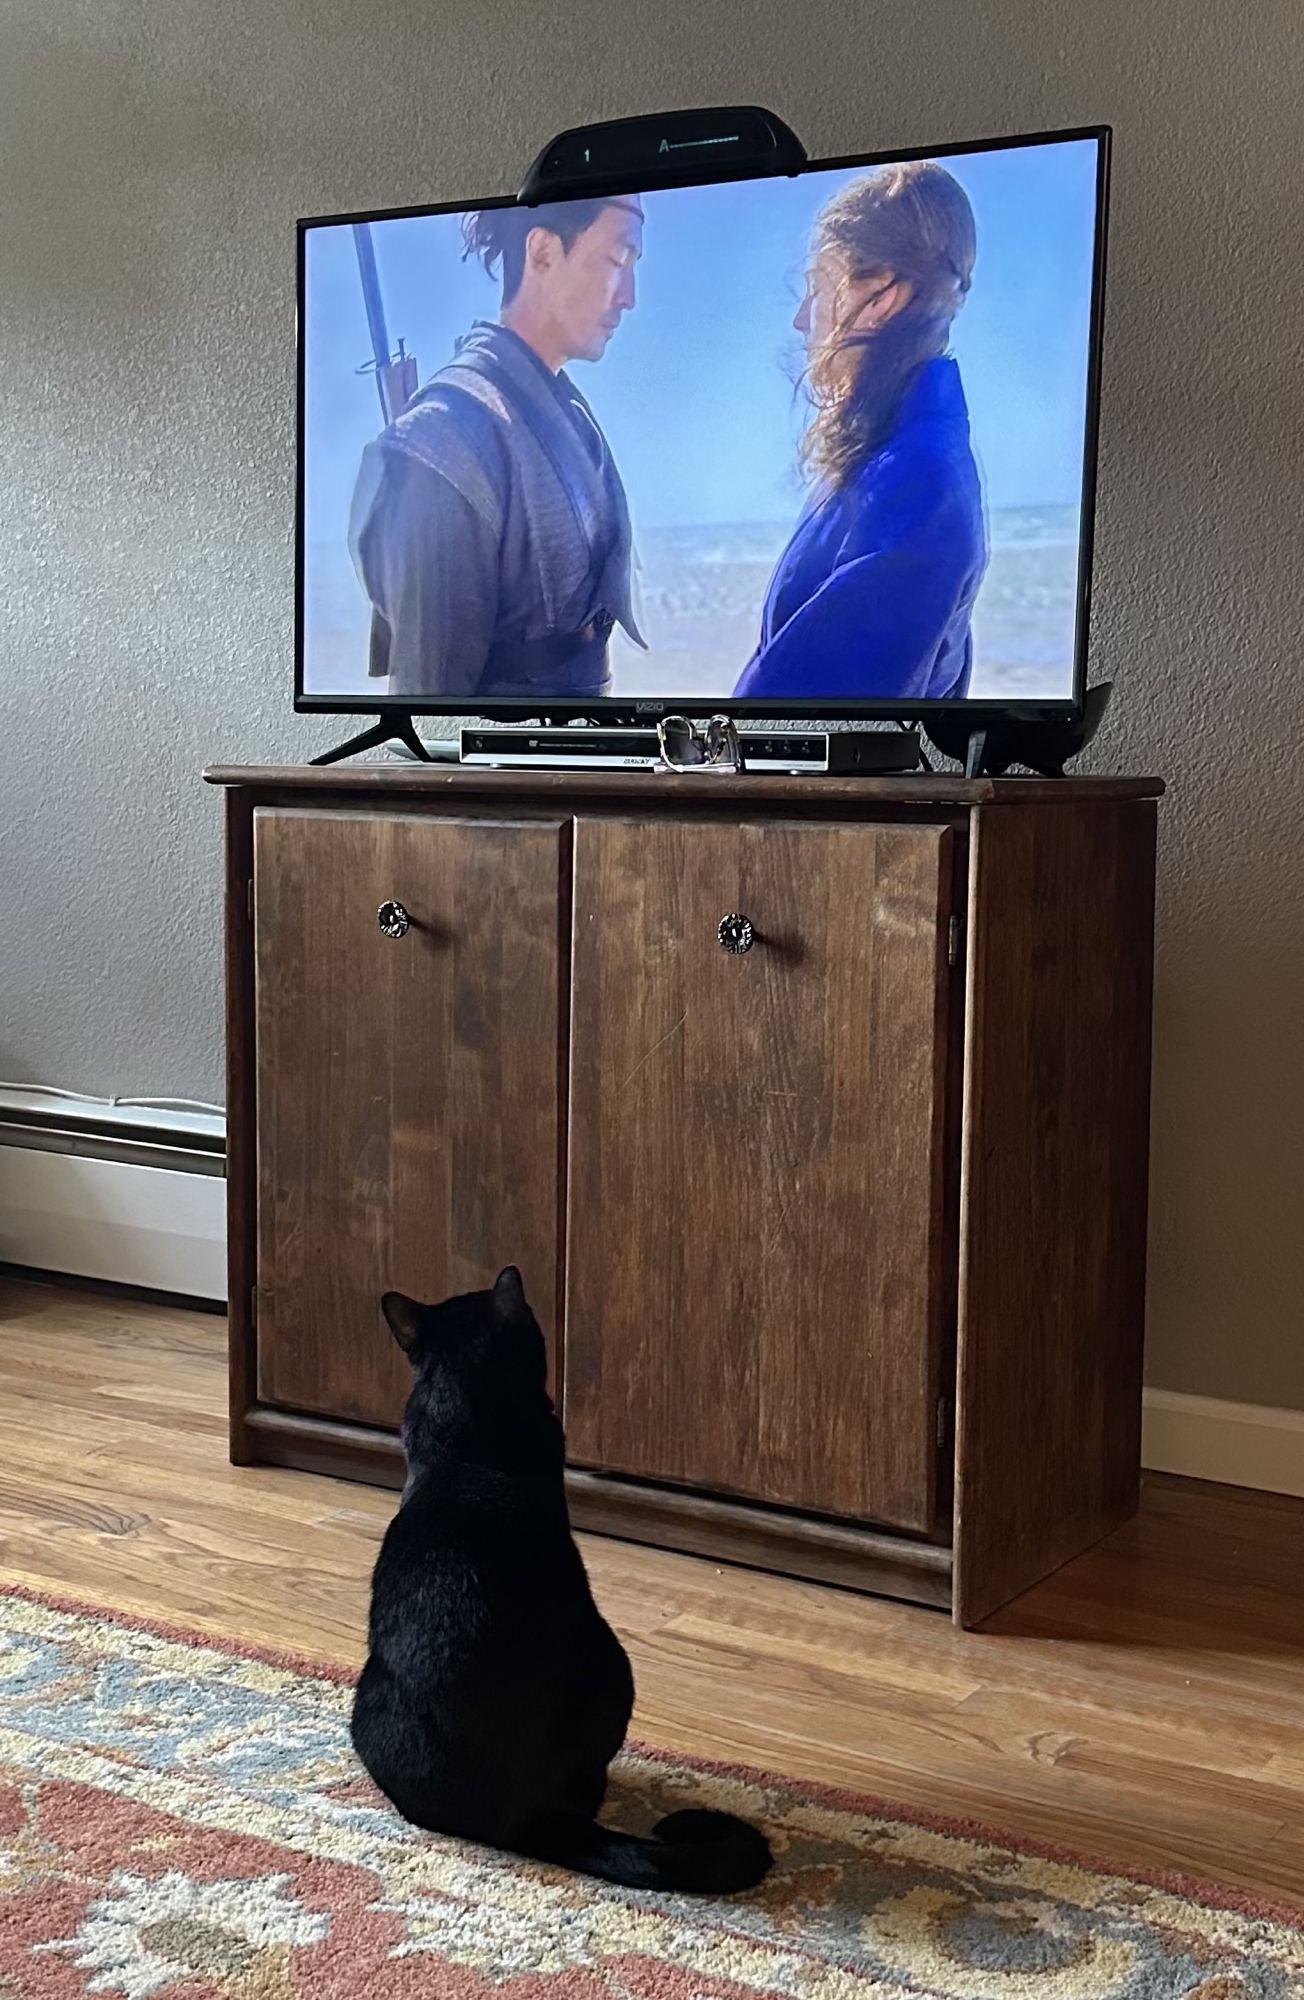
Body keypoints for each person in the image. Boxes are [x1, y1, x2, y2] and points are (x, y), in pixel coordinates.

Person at [348, 197, 645, 701]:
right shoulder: (444, 440)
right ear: (543, 252)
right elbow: (429, 700)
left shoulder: (568, 414)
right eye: (617, 260)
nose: (629, 297)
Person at [733, 161, 986, 702]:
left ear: (881, 298)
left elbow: (800, 719)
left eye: (819, 288)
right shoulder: (889, 456)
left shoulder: (917, 483)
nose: (803, 317)